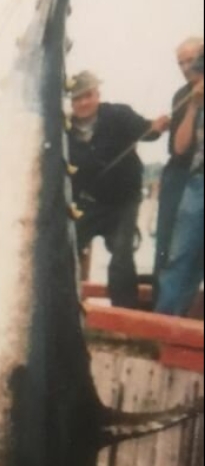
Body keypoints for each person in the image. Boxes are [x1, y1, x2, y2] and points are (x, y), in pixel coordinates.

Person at [67, 70, 169, 309]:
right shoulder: (65, 128)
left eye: (87, 95)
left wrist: (158, 126)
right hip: (88, 203)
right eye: (76, 99)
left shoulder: (118, 114)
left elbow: (148, 131)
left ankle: (125, 314)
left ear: (97, 94)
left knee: (121, 258)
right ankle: (65, 306)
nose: (83, 103)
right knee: (65, 251)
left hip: (124, 202)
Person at [153, 37, 205, 299]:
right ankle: (161, 312)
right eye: (180, 62)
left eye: (191, 59)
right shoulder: (183, 94)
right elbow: (179, 148)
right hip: (183, 174)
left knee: (194, 255)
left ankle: (181, 312)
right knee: (169, 248)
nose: (186, 67)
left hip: (195, 176)